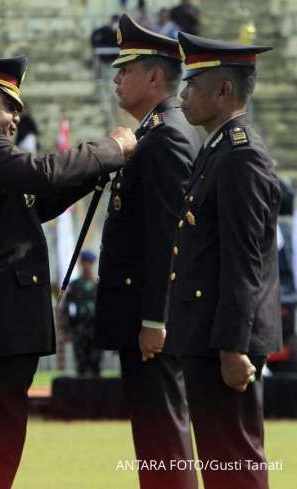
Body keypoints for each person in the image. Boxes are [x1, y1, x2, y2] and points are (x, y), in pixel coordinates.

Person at [0, 55, 136, 489]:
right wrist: (111, 149)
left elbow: (31, 204)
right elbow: (38, 175)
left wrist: (91, 173)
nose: (17, 120)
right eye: (11, 107)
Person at [166, 32, 281, 489]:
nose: (183, 94)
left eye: (193, 83)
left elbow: (243, 260)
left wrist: (233, 347)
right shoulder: (217, 151)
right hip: (208, 335)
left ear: (224, 90)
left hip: (224, 343)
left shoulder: (241, 157)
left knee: (234, 465)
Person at [93, 15, 201, 489]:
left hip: (150, 319)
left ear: (155, 77)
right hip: (139, 313)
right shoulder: (153, 134)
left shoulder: (167, 137)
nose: (116, 78)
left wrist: (156, 318)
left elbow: (170, 237)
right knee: (154, 436)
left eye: (125, 69)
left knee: (164, 436)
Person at [61, 250, 101, 377]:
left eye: (89, 263)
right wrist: (66, 330)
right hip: (79, 329)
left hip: (95, 330)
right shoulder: (74, 285)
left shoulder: (98, 285)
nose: (87, 266)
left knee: (96, 366)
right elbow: (66, 308)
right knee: (81, 366)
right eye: (85, 262)